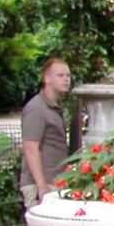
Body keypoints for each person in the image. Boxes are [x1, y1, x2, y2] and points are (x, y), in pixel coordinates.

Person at [20, 57, 73, 209]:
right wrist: (42, 187)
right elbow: (30, 149)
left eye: (68, 76)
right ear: (47, 78)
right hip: (42, 186)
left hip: (55, 182)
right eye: (60, 75)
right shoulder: (36, 108)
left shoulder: (54, 107)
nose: (66, 79)